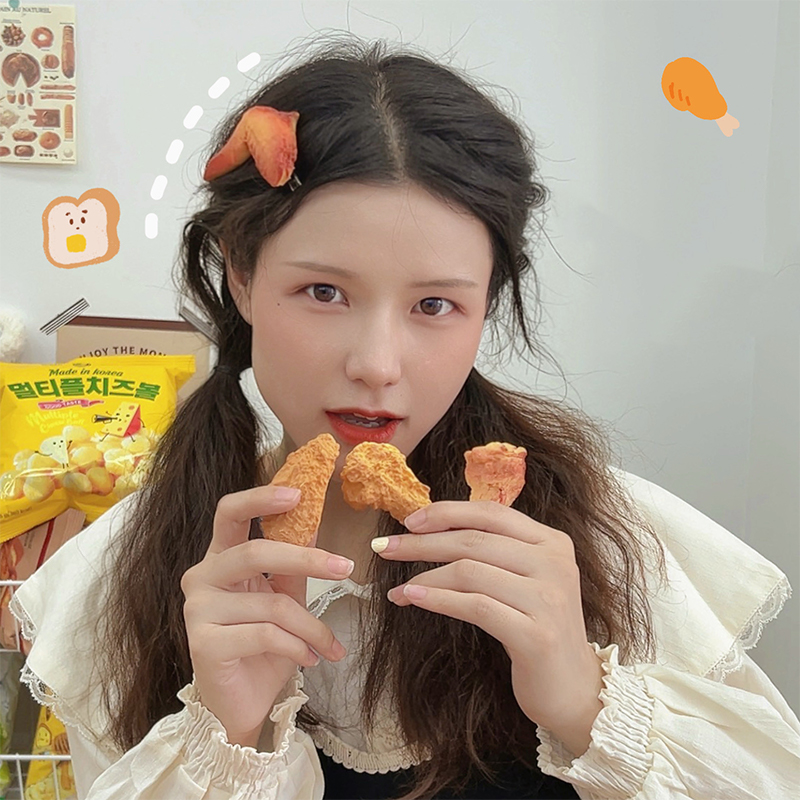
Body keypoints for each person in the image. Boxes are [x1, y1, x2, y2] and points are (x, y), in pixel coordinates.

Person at [10, 36, 800, 800]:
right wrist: (229, 739)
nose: (378, 364)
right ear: (242, 277)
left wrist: (586, 703)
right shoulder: (123, 573)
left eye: (435, 305)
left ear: (486, 305)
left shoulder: (604, 534)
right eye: (324, 292)